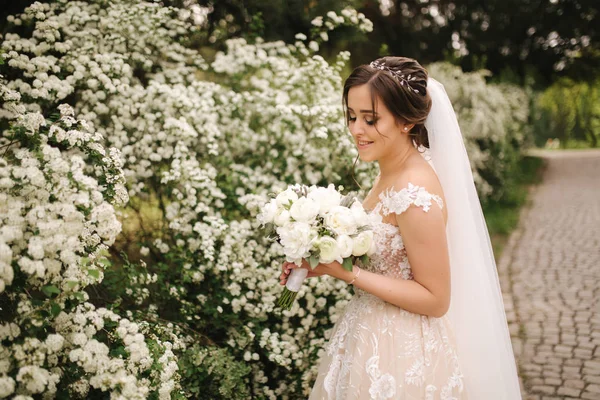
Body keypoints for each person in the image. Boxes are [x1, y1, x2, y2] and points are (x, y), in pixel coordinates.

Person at [279, 56, 522, 399]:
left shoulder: (414, 193)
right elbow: (390, 260)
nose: (355, 130)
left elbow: (436, 299)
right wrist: (322, 262)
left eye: (370, 119)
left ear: (407, 121)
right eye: (351, 116)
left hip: (401, 354)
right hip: (369, 337)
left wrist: (347, 275)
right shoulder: (390, 168)